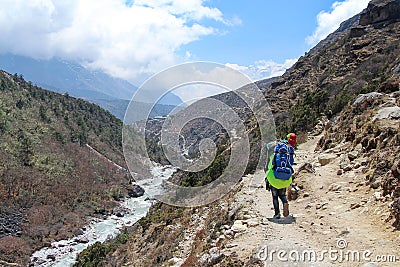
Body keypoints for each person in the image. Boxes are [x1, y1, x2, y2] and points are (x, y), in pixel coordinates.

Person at [265, 133, 297, 219]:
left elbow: (269, 167)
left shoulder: (274, 156)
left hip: (274, 179)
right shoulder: (287, 157)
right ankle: (285, 202)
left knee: (275, 197)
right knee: (282, 195)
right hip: (286, 179)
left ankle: (277, 213)